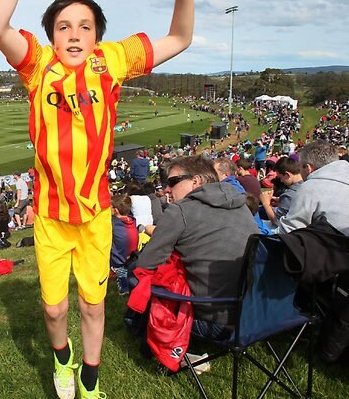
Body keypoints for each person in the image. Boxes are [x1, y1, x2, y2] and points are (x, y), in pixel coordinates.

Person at [0, 0, 193, 398]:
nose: (74, 34)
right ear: (51, 36)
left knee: (93, 306)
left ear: (98, 34)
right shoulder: (38, 66)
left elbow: (181, 37)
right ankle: (64, 361)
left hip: (96, 216)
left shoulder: (113, 60)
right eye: (63, 26)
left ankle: (91, 378)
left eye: (84, 25)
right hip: (53, 220)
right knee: (55, 310)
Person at [135, 156, 257, 340]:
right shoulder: (240, 203)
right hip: (255, 317)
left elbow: (145, 265)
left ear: (195, 181)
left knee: (133, 273)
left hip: (215, 323)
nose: (167, 189)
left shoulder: (180, 210)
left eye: (173, 182)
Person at [277, 140, 349, 235]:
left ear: (308, 168)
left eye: (300, 168)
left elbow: (289, 232)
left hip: (331, 247)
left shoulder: (310, 187)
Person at [259, 156, 304, 225]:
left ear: (287, 175)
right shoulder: (306, 185)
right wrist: (281, 201)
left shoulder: (289, 194)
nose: (281, 181)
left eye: (280, 177)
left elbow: (277, 221)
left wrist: (265, 203)